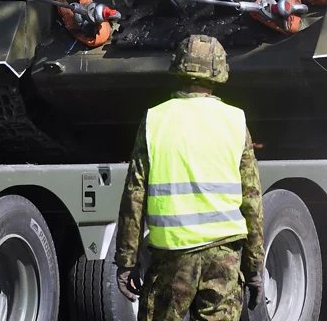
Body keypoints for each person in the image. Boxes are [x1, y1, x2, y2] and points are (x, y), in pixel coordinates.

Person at [114, 34, 265, 321]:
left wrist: (126, 261)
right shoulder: (235, 120)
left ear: (179, 68)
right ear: (219, 71)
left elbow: (134, 195)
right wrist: (254, 266)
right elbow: (252, 201)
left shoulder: (155, 120)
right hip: (224, 257)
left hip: (172, 256)